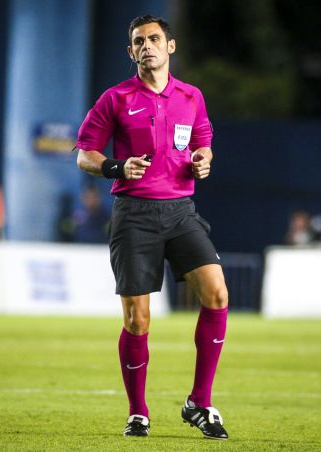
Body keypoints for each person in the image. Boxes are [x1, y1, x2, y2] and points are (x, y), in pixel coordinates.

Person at [75, 15, 229, 439]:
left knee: (217, 294)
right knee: (137, 320)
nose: (147, 46)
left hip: (180, 212)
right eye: (139, 41)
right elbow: (85, 154)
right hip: (134, 215)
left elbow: (203, 144)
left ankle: (200, 402)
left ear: (170, 46)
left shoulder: (192, 96)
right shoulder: (116, 98)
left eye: (154, 39)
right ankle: (138, 412)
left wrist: (203, 160)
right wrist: (116, 167)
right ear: (131, 52)